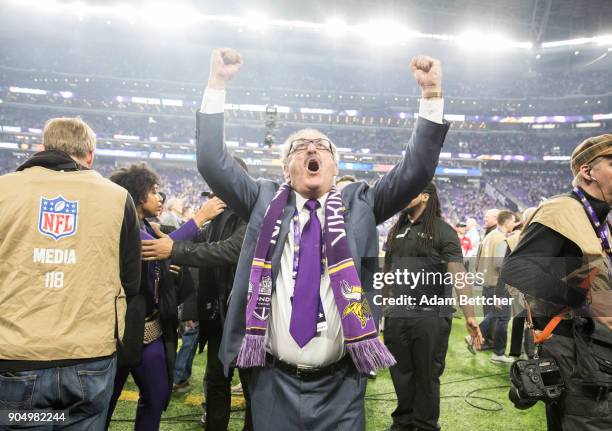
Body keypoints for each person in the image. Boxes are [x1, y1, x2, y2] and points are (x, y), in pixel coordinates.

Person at [195, 47, 449, 431]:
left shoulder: (362, 201)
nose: (311, 149)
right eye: (299, 147)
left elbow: (417, 169)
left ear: (335, 165)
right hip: (270, 380)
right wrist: (217, 83)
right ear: (286, 167)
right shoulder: (262, 198)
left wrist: (430, 96)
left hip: (341, 383)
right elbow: (212, 161)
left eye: (321, 147)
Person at [0, 117, 141, 430]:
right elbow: (131, 281)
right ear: (90, 156)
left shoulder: (4, 190)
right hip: (90, 354)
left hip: (17, 352)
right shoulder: (117, 198)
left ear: (42, 147)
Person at [502, 134, 612, 430]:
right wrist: (579, 297)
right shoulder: (561, 209)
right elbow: (516, 270)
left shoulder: (602, 219)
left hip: (599, 349)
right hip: (578, 354)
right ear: (587, 172)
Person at [105, 163, 225, 430]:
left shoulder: (149, 226)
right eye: (154, 191)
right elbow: (149, 249)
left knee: (157, 397)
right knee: (105, 402)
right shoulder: (125, 226)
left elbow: (161, 265)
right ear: (137, 195)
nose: (160, 197)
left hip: (152, 329)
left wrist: (173, 271)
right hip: (123, 333)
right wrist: (199, 218)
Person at [143, 158, 253, 431]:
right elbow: (202, 240)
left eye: (219, 183)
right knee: (217, 381)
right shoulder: (222, 212)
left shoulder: (254, 211)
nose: (214, 190)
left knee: (254, 387)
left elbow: (230, 250)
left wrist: (174, 249)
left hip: (249, 318)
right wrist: (166, 232)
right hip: (218, 316)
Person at [383, 183, 483, 431]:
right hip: (398, 315)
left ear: (425, 196)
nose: (403, 196)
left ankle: (426, 425)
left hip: (430, 317)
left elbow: (458, 275)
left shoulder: (443, 231)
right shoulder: (397, 229)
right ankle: (403, 424)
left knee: (427, 376)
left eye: (410, 191)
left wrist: (470, 316)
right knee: (401, 374)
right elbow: (387, 273)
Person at [474, 210, 517, 363]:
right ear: (506, 222)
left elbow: (479, 258)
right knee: (502, 318)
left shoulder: (489, 236)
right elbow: (500, 265)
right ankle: (497, 352)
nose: (514, 223)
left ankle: (480, 338)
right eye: (513, 221)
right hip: (496, 283)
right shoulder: (500, 238)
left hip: (486, 282)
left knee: (492, 314)